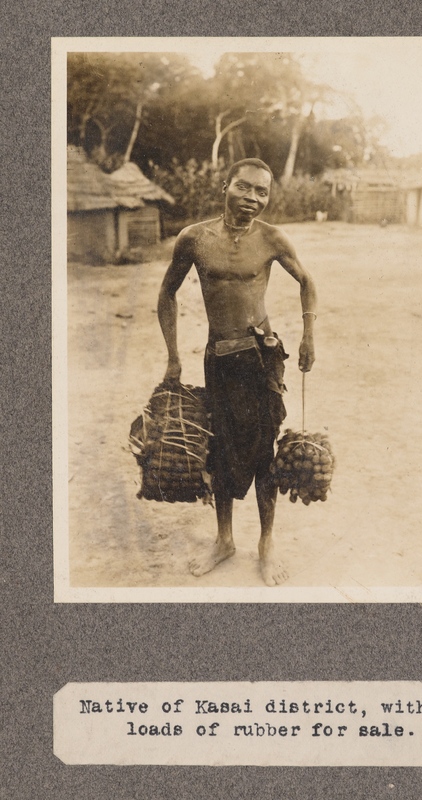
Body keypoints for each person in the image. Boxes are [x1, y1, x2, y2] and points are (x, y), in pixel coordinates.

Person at [157, 158, 317, 586]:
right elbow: (167, 293)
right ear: (225, 185)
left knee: (265, 451)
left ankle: (266, 545)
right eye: (245, 188)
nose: (252, 199)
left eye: (262, 192)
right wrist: (173, 355)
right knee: (220, 450)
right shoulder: (194, 238)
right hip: (220, 359)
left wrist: (308, 336)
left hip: (262, 359)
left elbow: (306, 281)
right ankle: (224, 540)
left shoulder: (272, 238)